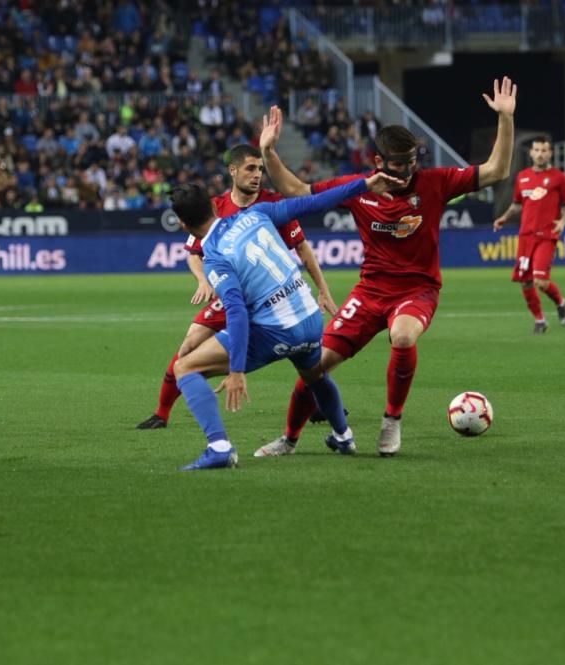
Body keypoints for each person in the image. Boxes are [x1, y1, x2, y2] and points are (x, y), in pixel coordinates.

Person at [254, 76, 517, 458]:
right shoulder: (358, 187)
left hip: (418, 290)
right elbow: (297, 191)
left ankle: (391, 421)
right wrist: (268, 153)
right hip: (370, 292)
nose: (408, 171)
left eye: (412, 162)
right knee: (315, 365)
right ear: (379, 162)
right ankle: (290, 439)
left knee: (404, 336)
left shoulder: (435, 183)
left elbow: (496, 171)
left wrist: (505, 119)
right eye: (399, 164)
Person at [168, 171, 403, 470]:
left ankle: (219, 448)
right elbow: (314, 202)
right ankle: (343, 436)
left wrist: (237, 369)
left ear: (184, 225)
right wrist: (364, 185)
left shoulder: (213, 257)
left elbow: (237, 312)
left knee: (184, 367)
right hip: (310, 318)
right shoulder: (258, 212)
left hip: (278, 330)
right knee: (314, 375)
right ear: (214, 207)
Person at [136, 144, 337, 430]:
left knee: (303, 352)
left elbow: (302, 248)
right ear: (233, 171)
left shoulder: (271, 204)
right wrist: (204, 280)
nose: (257, 175)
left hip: (271, 295)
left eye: (260, 169)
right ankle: (161, 413)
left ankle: (320, 405)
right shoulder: (215, 207)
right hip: (232, 294)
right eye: (251, 168)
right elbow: (194, 252)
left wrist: (323, 288)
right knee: (189, 345)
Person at [493, 136, 565, 334]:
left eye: (544, 150)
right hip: (526, 236)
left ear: (550, 153)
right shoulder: (522, 177)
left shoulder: (559, 177)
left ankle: (560, 302)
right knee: (526, 281)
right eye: (536, 150)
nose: (540, 154)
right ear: (531, 153)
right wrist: (504, 217)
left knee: (541, 281)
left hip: (547, 235)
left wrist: (562, 221)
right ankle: (540, 320)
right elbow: (517, 204)